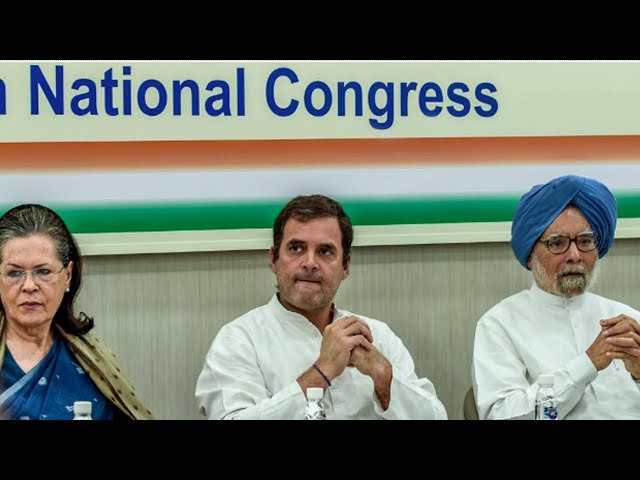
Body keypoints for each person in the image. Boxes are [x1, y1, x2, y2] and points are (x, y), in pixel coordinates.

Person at [195, 194, 447, 419]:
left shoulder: (376, 336)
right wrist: (322, 371)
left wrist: (382, 376)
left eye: (325, 251)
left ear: (345, 265)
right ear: (274, 259)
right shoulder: (239, 340)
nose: (310, 263)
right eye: (296, 248)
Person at [472, 174, 640, 420]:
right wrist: (587, 364)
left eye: (585, 241)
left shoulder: (628, 320)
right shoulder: (499, 325)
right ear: (531, 254)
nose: (575, 255)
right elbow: (501, 414)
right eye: (557, 243)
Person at [0, 204, 154, 420]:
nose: (29, 285)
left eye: (43, 271)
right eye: (14, 273)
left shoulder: (94, 360)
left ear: (68, 276)